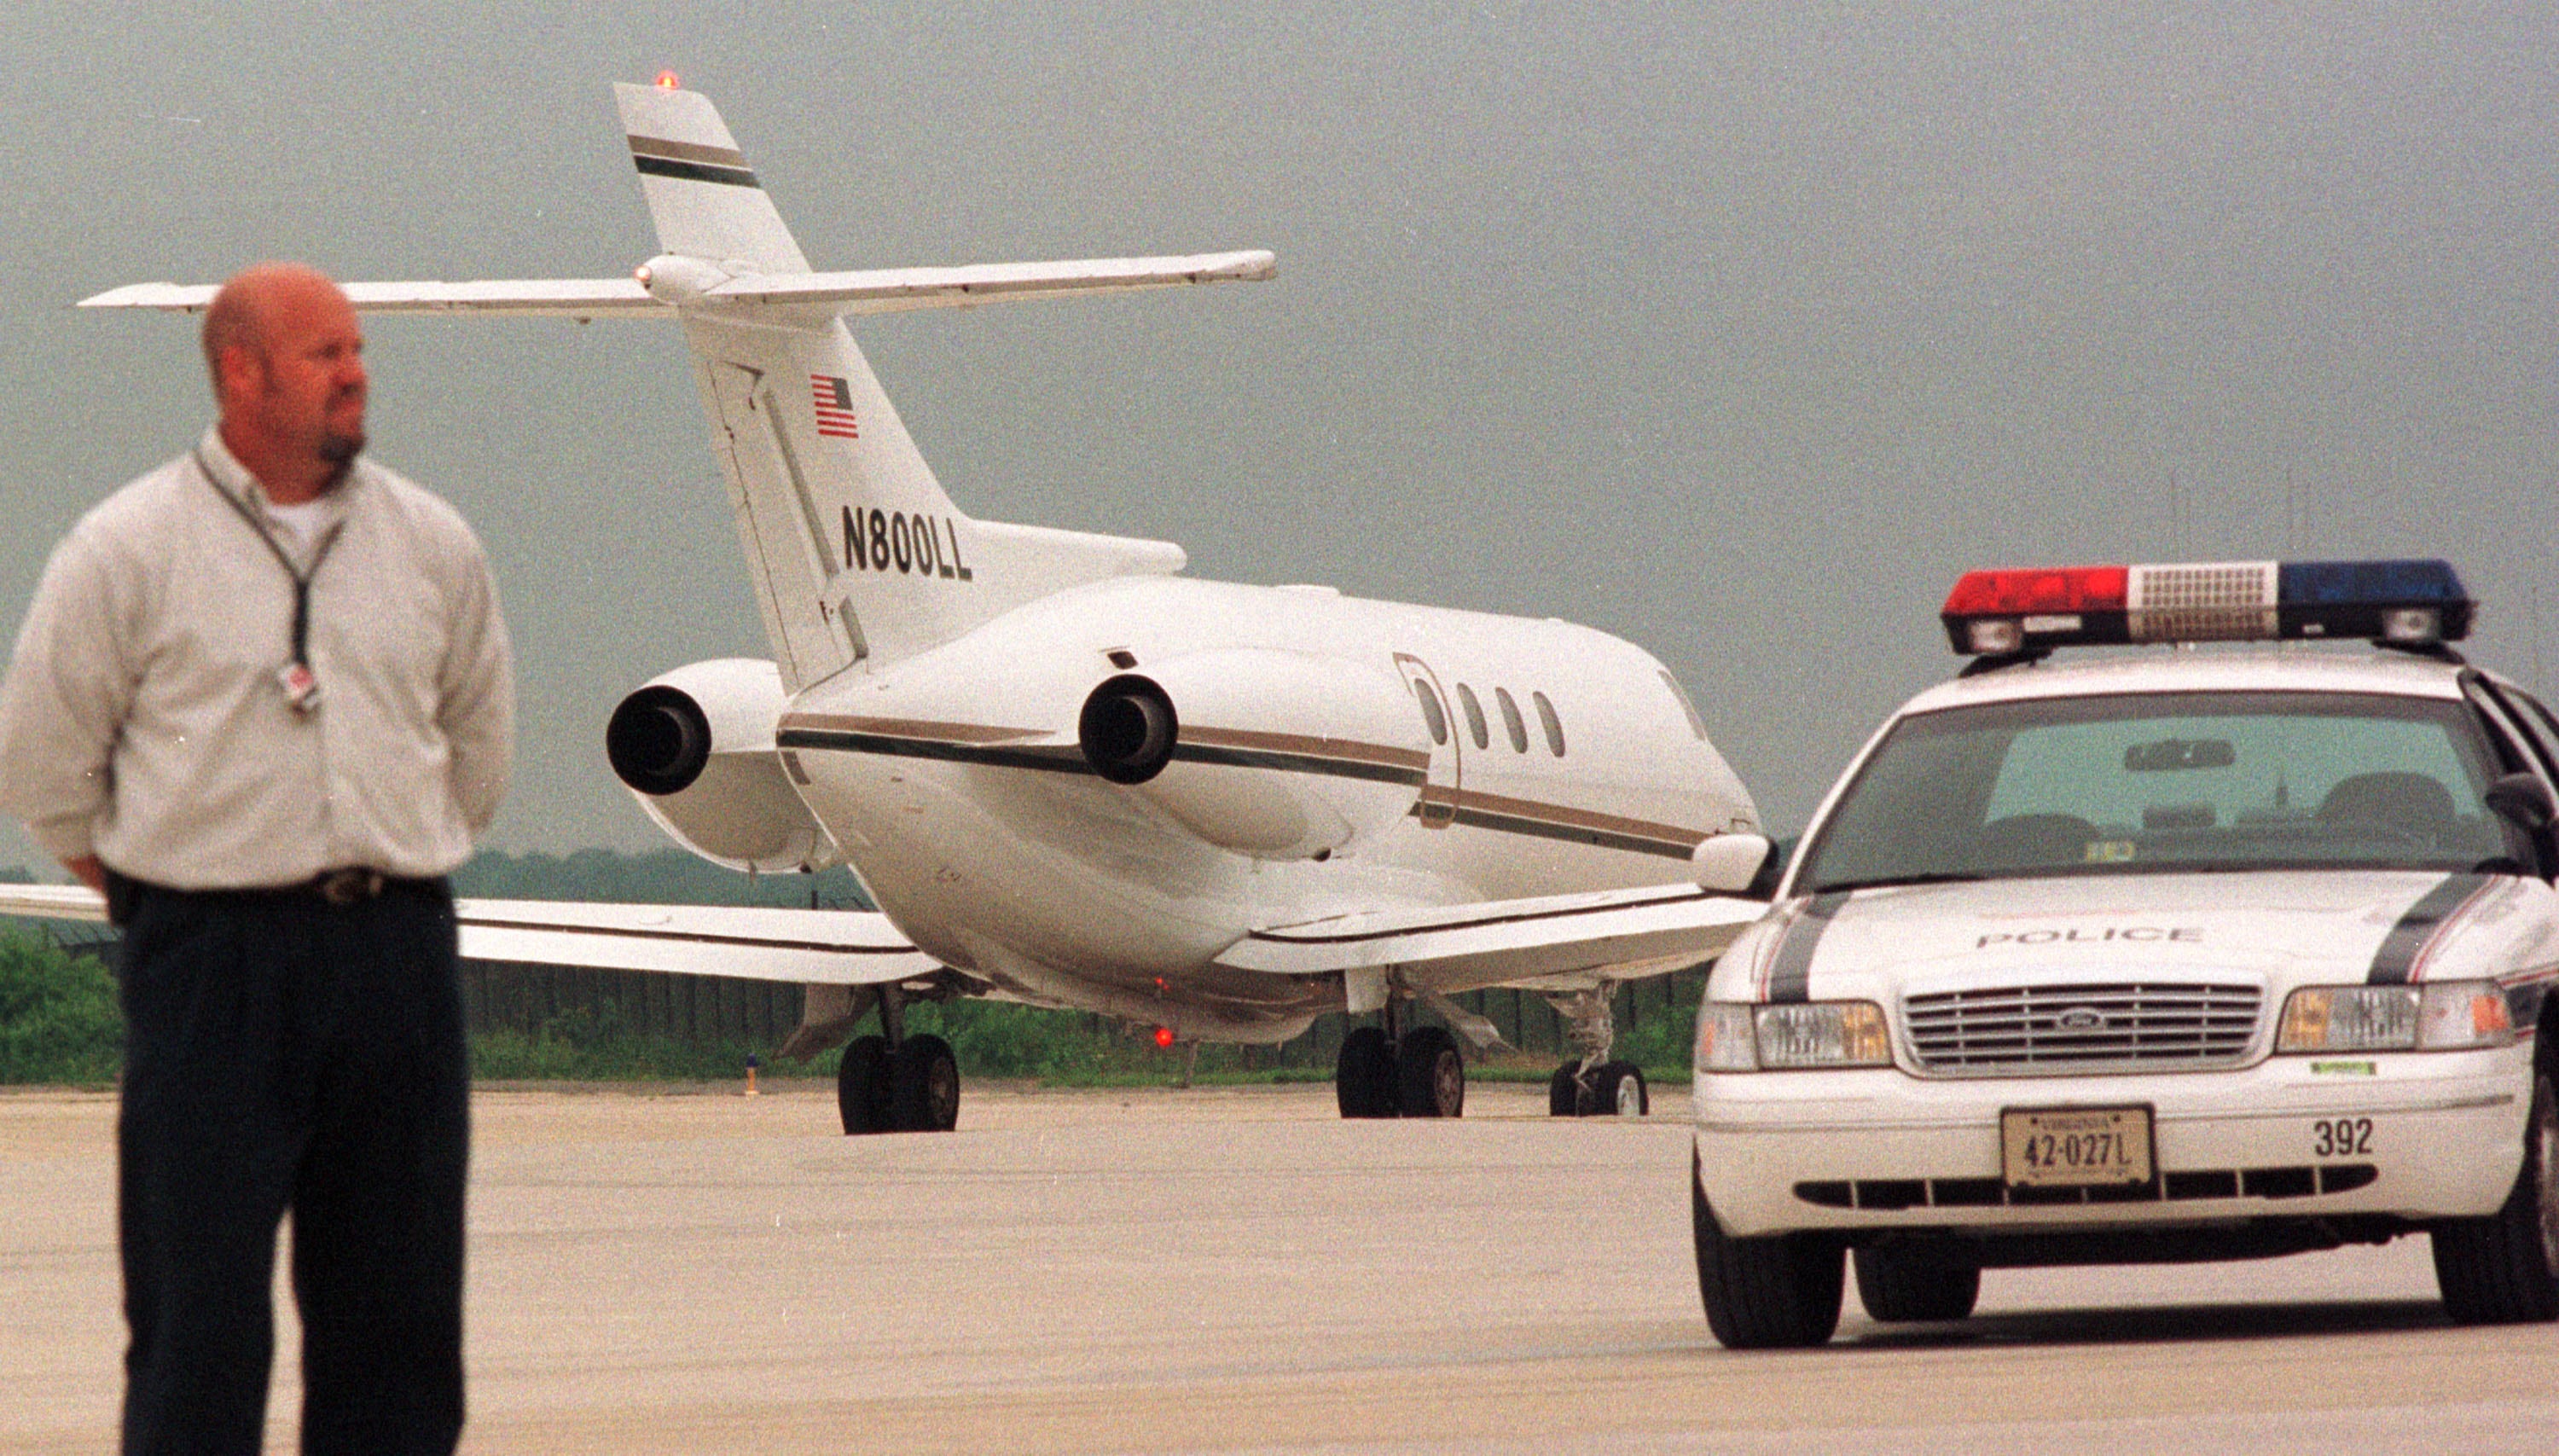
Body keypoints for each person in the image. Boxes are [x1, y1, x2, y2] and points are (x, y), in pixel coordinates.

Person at [0, 263, 513, 1453]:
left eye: (358, 349)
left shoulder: (431, 545)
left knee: (398, 1332)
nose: (357, 372)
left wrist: (390, 865)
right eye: (326, 352)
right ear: (241, 371)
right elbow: (42, 771)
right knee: (200, 1331)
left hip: (395, 960)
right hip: (212, 969)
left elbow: (478, 753)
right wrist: (164, 893)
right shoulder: (128, 549)